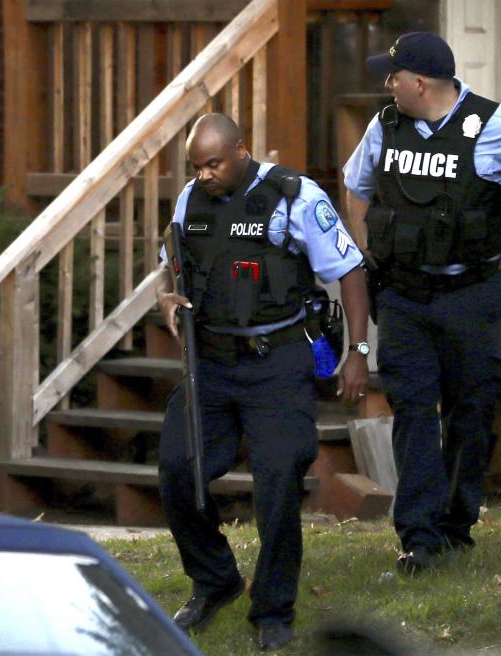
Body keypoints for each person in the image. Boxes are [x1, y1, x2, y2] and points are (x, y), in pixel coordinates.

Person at [342, 32, 501, 575]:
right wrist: (363, 243)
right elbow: (354, 184)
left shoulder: (497, 125)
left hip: (470, 294)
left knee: (471, 413)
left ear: (420, 82)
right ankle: (418, 539)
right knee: (413, 409)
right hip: (402, 294)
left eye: (394, 75)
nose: (387, 84)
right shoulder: (386, 125)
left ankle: (455, 525)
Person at [157, 113, 370, 651]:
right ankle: (215, 582)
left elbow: (349, 270)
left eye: (213, 163)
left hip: (277, 362)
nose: (203, 174)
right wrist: (166, 297)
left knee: (277, 482)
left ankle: (273, 610)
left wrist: (357, 353)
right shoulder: (189, 200)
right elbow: (172, 264)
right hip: (211, 361)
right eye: (196, 166)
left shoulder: (295, 196)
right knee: (178, 469)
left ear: (241, 151)